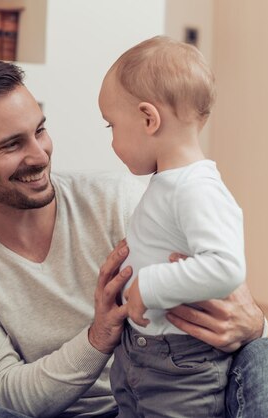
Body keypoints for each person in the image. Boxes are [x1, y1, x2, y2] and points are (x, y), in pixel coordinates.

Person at [0, 59, 268, 417]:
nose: (40, 155)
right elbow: (7, 392)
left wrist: (255, 326)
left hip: (169, 400)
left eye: (40, 131)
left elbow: (219, 282)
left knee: (264, 355)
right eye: (12, 145)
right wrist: (98, 336)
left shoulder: (117, 198)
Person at [99, 35, 247, 417]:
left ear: (149, 119)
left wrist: (148, 285)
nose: (111, 139)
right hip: (140, 353)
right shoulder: (168, 181)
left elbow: (225, 266)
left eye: (111, 125)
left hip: (180, 365)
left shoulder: (197, 188)